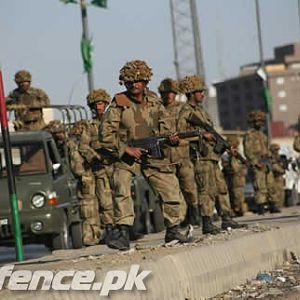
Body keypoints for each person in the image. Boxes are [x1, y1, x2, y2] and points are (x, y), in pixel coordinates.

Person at [99, 59, 189, 250]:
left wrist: (170, 138)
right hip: (128, 155)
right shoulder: (119, 103)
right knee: (121, 185)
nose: (134, 85)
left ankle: (173, 229)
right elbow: (105, 134)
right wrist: (125, 150)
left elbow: (166, 124)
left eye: (138, 81)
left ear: (146, 82)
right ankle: (122, 233)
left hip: (153, 152)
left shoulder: (155, 101)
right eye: (129, 82)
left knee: (170, 188)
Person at [177, 75, 243, 234]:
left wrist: (226, 147)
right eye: (200, 91)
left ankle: (226, 217)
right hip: (201, 157)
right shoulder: (186, 111)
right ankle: (206, 221)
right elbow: (180, 133)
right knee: (206, 190)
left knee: (221, 187)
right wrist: (201, 135)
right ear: (191, 93)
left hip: (212, 156)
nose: (203, 94)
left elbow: (213, 134)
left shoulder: (201, 111)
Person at [158, 78, 200, 225]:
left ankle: (194, 211)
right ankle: (181, 218)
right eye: (164, 93)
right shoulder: (158, 110)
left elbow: (194, 132)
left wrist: (182, 140)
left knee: (189, 187)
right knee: (173, 190)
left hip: (183, 155)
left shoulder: (183, 109)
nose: (168, 96)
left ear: (175, 93)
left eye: (170, 92)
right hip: (166, 157)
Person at [78, 89, 114, 244]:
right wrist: (95, 156)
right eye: (95, 104)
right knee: (105, 201)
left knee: (119, 199)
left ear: (106, 104)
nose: (98, 107)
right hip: (100, 168)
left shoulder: (113, 122)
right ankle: (110, 230)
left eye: (100, 103)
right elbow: (83, 147)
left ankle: (123, 229)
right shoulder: (90, 126)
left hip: (116, 166)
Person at [243, 111, 280, 214]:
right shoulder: (249, 134)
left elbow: (266, 148)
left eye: (260, 121)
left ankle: (273, 204)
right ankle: (261, 206)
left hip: (266, 162)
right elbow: (247, 151)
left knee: (271, 184)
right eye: (256, 121)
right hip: (258, 162)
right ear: (252, 122)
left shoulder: (263, 134)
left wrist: (271, 158)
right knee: (260, 185)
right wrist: (255, 162)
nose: (258, 123)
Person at [223, 136, 248, 216]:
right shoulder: (226, 155)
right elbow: (226, 166)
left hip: (238, 179)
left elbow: (244, 166)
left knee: (238, 195)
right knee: (232, 195)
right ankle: (235, 210)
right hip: (231, 178)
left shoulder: (239, 154)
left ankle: (239, 209)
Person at [270, 143, 285, 208]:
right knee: (276, 192)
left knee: (281, 192)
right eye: (276, 149)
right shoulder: (271, 157)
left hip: (279, 177)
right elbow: (274, 166)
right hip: (275, 177)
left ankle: (280, 205)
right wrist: (281, 170)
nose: (277, 151)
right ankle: (276, 206)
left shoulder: (278, 156)